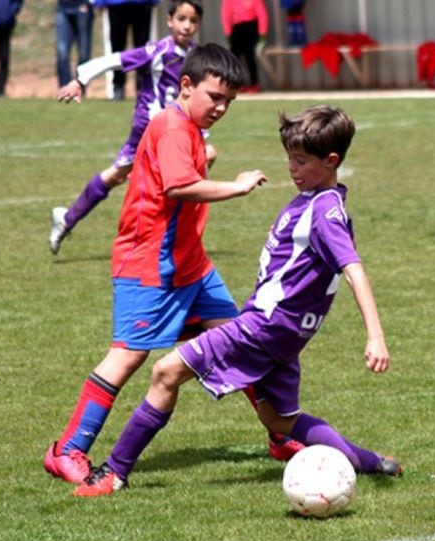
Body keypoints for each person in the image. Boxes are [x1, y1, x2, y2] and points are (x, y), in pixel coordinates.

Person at [72, 104, 402, 497]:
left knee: (166, 373)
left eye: (300, 161)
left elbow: (354, 270)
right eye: (289, 159)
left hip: (264, 327)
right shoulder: (319, 200)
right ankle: (368, 461)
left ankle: (114, 472)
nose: (291, 169)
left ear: (331, 161)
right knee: (278, 420)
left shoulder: (324, 212)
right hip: (283, 333)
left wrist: (375, 336)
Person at [43, 44, 303, 487]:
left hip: (191, 265)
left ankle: (278, 435)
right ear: (186, 85)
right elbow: (181, 186)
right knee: (128, 356)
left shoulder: (187, 126)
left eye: (229, 102)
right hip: (149, 262)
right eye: (214, 97)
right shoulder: (169, 126)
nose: (221, 108)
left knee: (243, 340)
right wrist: (237, 188)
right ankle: (67, 450)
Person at [49, 0, 202, 255]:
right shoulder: (156, 50)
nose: (187, 26)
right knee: (196, 162)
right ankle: (164, 236)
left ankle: (67, 219)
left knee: (117, 175)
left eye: (193, 21)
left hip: (173, 129)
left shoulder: (195, 56)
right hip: (149, 128)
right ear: (169, 20)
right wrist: (80, 80)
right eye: (182, 19)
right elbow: (112, 60)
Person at [93, 0, 158, 101]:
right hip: (116, 4)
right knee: (117, 47)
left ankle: (142, 86)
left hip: (142, 4)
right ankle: (118, 86)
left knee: (143, 49)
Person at [220, 0, 268, 93]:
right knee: (234, 57)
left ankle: (254, 84)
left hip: (251, 26)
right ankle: (236, 83)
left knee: (250, 55)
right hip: (237, 28)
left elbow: (262, 15)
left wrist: (262, 34)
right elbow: (226, 14)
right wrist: (228, 33)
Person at [55, 0, 94, 88]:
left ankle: (80, 87)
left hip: (83, 7)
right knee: (62, 53)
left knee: (83, 54)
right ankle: (65, 89)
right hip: (63, 7)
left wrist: (88, 3)